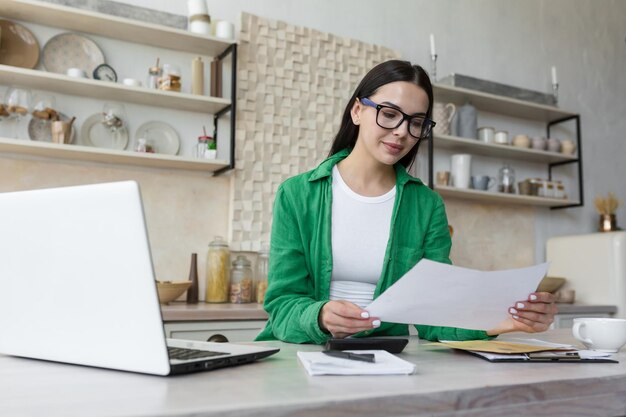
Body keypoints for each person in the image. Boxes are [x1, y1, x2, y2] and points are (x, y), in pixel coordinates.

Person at [255, 60, 557, 344]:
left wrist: (501, 322)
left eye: (417, 123)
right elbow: (282, 306)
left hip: (387, 356)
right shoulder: (296, 194)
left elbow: (433, 314)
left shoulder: (426, 206)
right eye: (389, 114)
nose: (402, 132)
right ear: (357, 111)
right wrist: (319, 317)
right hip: (306, 351)